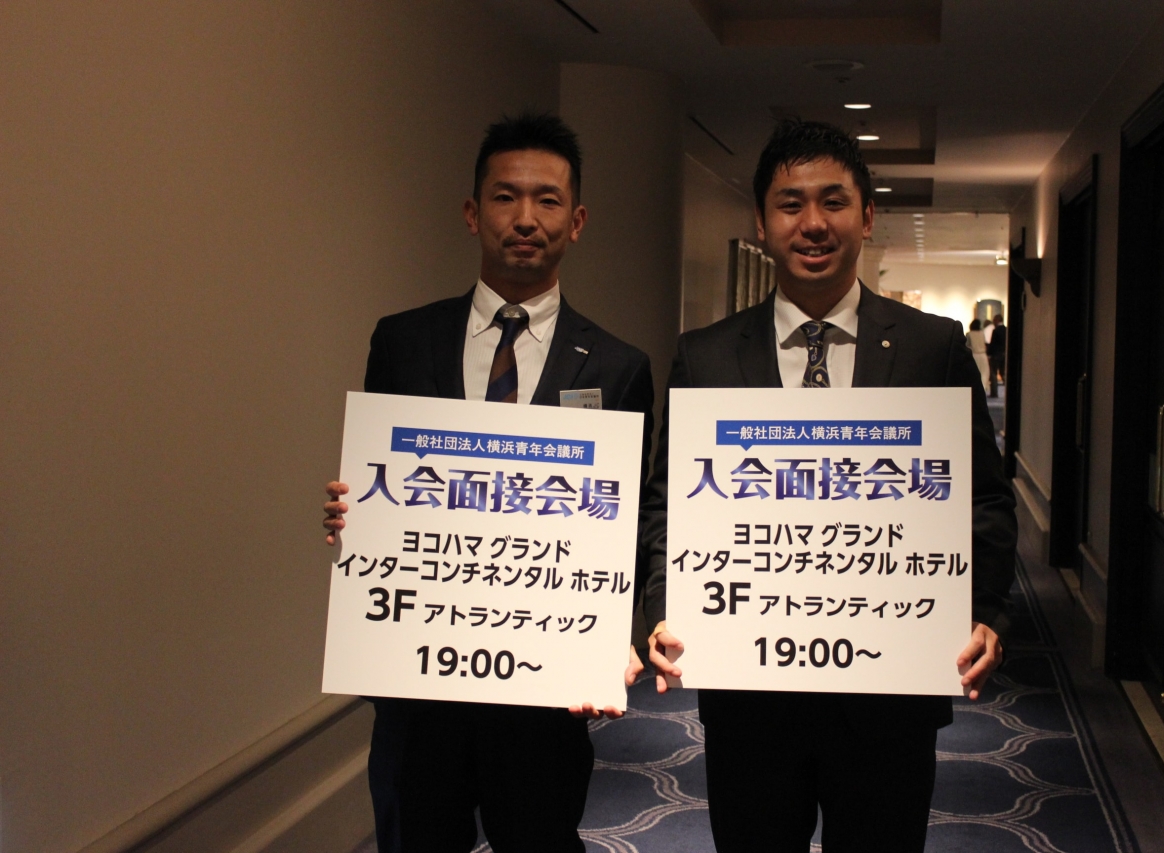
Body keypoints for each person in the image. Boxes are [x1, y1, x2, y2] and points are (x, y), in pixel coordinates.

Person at [637, 119, 1017, 853]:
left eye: (833, 202)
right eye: (790, 204)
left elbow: (985, 498)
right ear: (762, 223)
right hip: (749, 694)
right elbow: (665, 505)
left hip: (891, 694)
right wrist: (660, 607)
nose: (812, 223)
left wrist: (984, 612)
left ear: (867, 217)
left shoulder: (932, 348)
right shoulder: (705, 356)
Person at [322, 113, 654, 853]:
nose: (525, 218)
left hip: (544, 693)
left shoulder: (617, 366)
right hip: (419, 685)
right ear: (473, 213)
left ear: (577, 221)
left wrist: (616, 633)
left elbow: (626, 522)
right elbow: (384, 485)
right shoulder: (403, 341)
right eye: (506, 197)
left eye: (547, 199)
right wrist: (354, 514)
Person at [969, 317, 991, 391]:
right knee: (984, 373)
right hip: (983, 355)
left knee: (974, 373)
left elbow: (967, 345)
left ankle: (976, 389)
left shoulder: (969, 334)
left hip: (974, 355)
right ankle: (983, 388)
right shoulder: (982, 333)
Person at [987, 313, 1007, 397]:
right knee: (1003, 373)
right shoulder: (1006, 329)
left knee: (993, 374)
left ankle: (994, 393)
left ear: (997, 320)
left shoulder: (996, 331)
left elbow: (993, 344)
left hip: (995, 355)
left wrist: (989, 353)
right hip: (1004, 354)